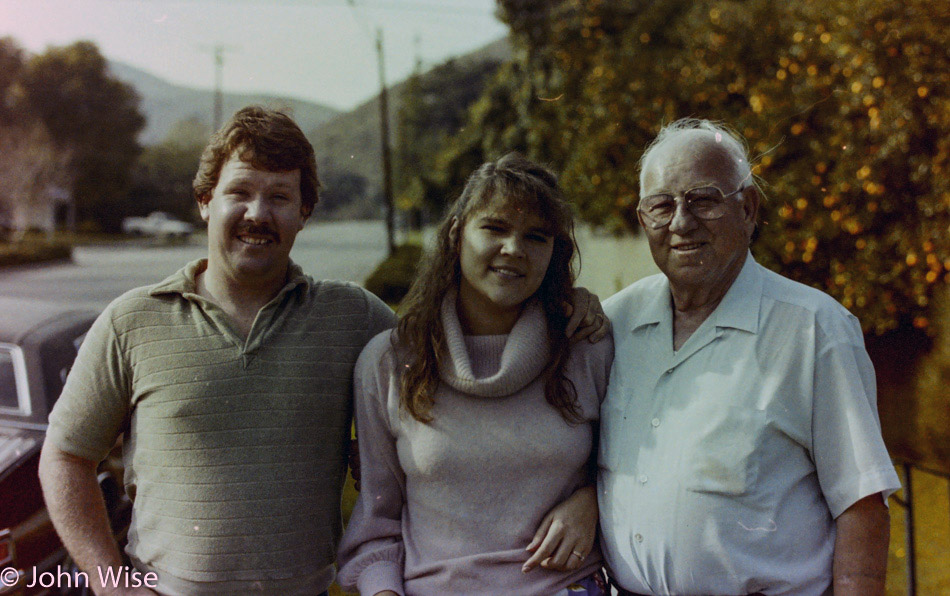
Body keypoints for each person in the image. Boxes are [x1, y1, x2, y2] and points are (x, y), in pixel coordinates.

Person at [38, 107, 606, 596]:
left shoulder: (354, 320)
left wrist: (569, 301)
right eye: (240, 191)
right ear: (205, 201)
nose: (258, 213)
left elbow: (448, 335)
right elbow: (65, 456)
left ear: (303, 212)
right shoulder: (133, 320)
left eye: (280, 196)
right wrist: (111, 582)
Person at [598, 118, 901, 596]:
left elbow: (861, 505)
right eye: (661, 205)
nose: (681, 222)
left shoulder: (815, 329)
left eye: (703, 199)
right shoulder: (613, 325)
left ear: (748, 207)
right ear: (643, 220)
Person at [337, 153, 614, 596]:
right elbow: (376, 525)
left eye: (536, 236)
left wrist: (594, 504)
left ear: (554, 253)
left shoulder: (588, 346)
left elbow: (633, 476)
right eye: (495, 228)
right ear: (456, 234)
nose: (514, 249)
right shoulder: (388, 362)